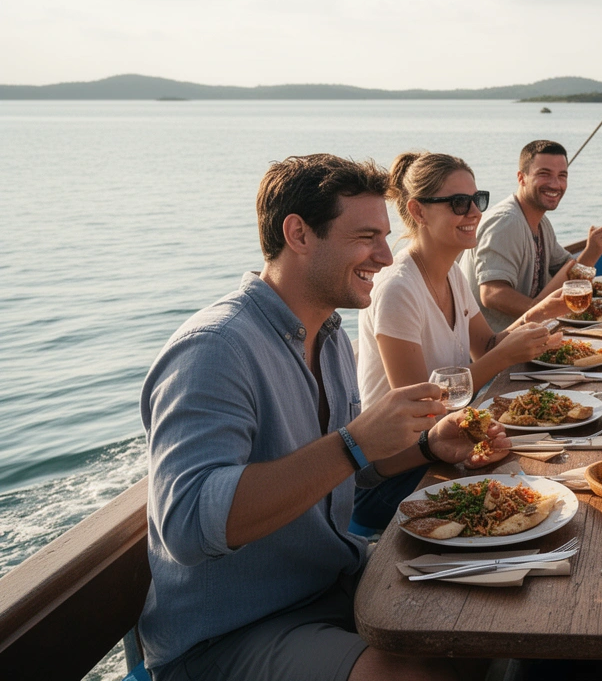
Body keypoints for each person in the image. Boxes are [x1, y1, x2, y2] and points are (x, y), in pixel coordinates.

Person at [140, 154, 507, 681]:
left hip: (331, 582)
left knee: (485, 618)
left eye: (385, 236)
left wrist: (428, 447)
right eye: (365, 237)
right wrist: (352, 443)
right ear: (298, 234)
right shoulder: (214, 349)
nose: (385, 256)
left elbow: (347, 477)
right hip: (233, 632)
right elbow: (190, 524)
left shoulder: (330, 336)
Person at [353, 151, 568, 529]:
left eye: (477, 200)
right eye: (458, 203)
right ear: (418, 211)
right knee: (534, 497)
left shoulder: (451, 273)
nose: (474, 213)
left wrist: (540, 312)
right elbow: (419, 413)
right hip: (391, 474)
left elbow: (486, 345)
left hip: (444, 446)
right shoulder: (397, 289)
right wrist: (505, 357)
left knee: (549, 483)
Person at [463, 140, 602, 331]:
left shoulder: (541, 223)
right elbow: (492, 294)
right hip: (496, 347)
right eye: (544, 174)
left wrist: (593, 252)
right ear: (521, 178)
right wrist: (542, 312)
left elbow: (568, 274)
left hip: (527, 337)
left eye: (562, 176)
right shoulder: (506, 222)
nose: (555, 184)